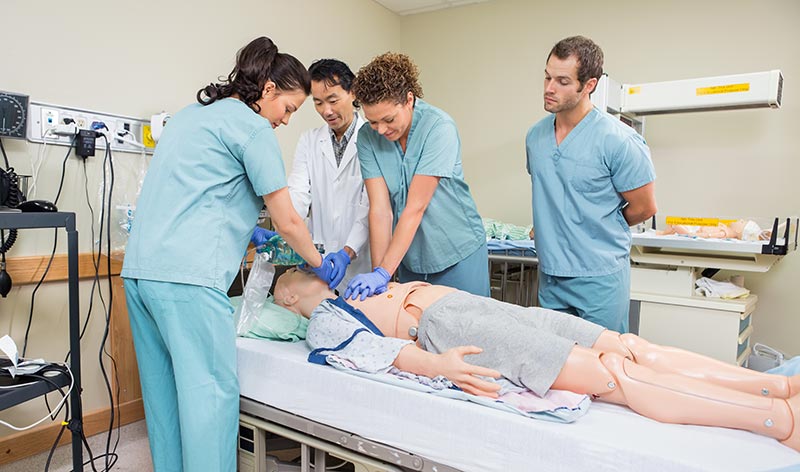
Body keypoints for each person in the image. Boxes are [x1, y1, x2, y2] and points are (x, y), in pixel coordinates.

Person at [273, 267, 800, 452]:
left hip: (469, 305)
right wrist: (437, 366)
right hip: (449, 326)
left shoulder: (349, 287)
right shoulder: (324, 319)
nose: (303, 267)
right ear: (287, 299)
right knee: (610, 374)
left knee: (625, 344)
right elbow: (368, 352)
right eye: (289, 276)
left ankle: (774, 387)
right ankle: (776, 421)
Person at [120, 37, 341, 471]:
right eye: (289, 109)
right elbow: (290, 221)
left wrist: (248, 233)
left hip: (141, 274)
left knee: (164, 394)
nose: (286, 120)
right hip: (188, 280)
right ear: (269, 91)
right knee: (209, 394)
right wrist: (319, 263)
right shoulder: (251, 127)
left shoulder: (189, 117)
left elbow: (200, 196)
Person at [526, 36, 657, 333]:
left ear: (589, 85)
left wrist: (595, 226)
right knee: (554, 364)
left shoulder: (618, 141)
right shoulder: (535, 138)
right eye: (547, 77)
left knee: (602, 367)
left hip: (600, 278)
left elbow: (645, 207)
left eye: (562, 81)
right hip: (552, 275)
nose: (549, 88)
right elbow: (553, 193)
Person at [345, 52, 489, 301]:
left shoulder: (438, 127)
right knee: (416, 331)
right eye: (373, 121)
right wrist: (382, 278)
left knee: (469, 329)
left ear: (409, 99)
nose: (380, 129)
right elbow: (380, 210)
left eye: (388, 119)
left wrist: (382, 272)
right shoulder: (367, 137)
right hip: (410, 257)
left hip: (457, 250)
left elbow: (415, 207)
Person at [287, 59, 370, 290]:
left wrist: (346, 252)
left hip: (359, 266)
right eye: (318, 103)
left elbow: (370, 208)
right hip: (317, 264)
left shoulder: (373, 140)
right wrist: (294, 237)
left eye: (333, 100)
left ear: (352, 92)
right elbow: (298, 193)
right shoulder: (309, 141)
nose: (327, 111)